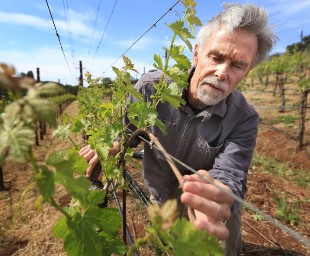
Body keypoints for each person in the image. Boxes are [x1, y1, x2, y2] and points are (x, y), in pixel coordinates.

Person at [79, 3, 277, 255]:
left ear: (247, 71)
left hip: (207, 212)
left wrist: (218, 195)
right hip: (161, 195)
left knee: (220, 248)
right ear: (196, 53)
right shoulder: (151, 89)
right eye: (216, 57)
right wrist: (115, 144)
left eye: (238, 65)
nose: (221, 72)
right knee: (166, 245)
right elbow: (128, 131)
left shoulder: (244, 119)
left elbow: (231, 175)